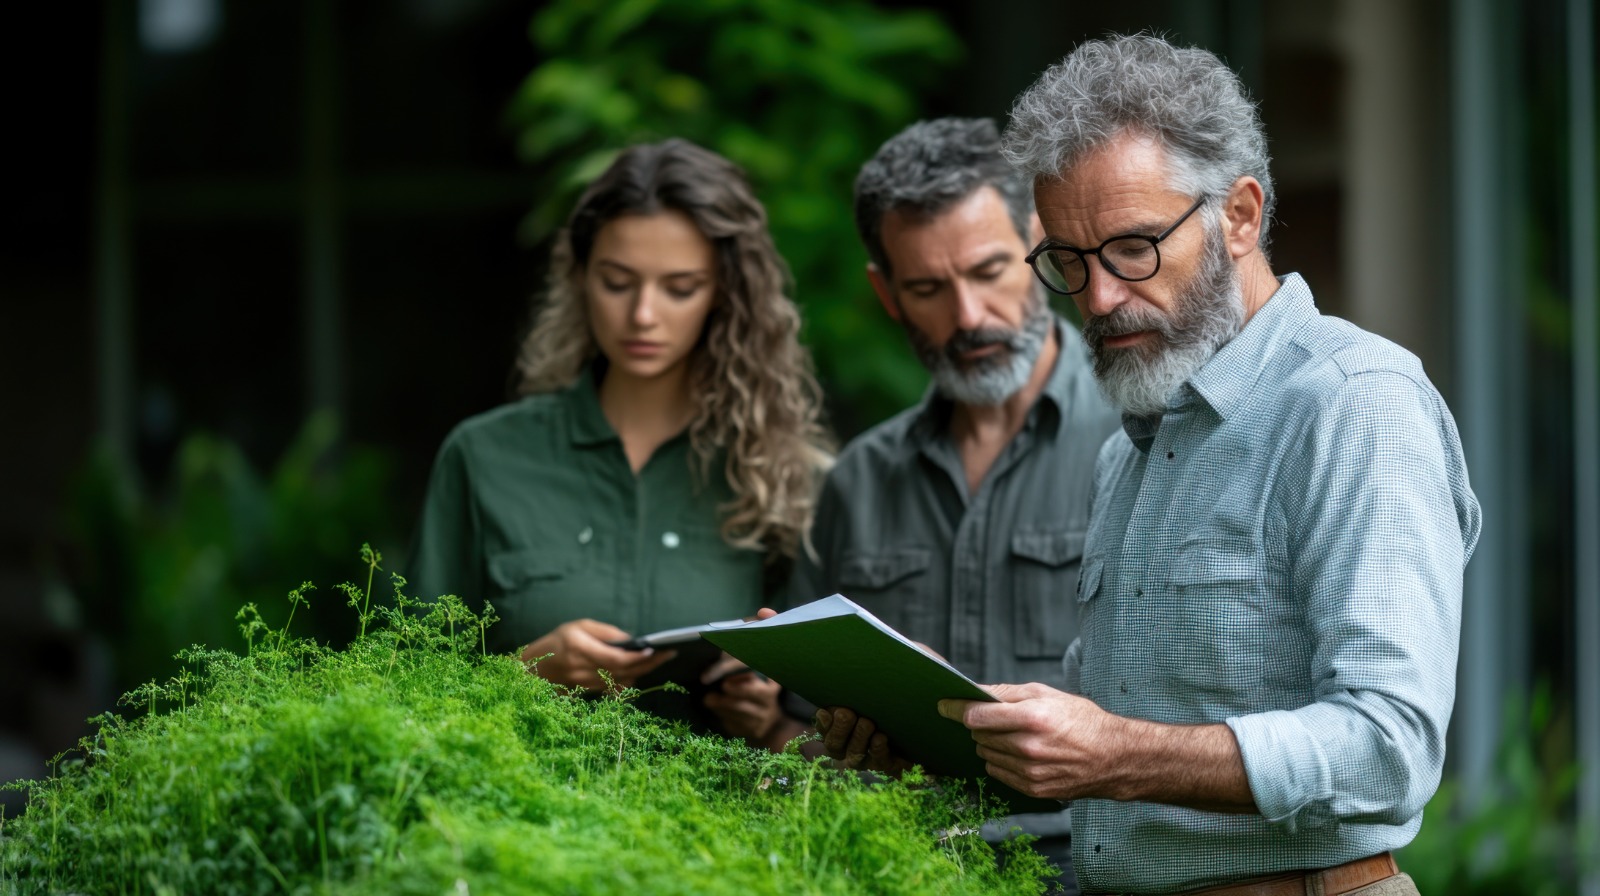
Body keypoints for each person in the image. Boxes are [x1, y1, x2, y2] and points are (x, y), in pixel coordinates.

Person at [819, 35, 1481, 895]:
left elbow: (1388, 749)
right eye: (1067, 261)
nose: (1096, 298)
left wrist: (1117, 756)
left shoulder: (1356, 403)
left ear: (1239, 216)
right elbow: (1121, 740)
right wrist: (937, 724)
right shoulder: (1133, 443)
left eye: (1133, 248)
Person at [785, 117, 1122, 895]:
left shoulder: (1145, 443)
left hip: (1092, 868)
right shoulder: (859, 479)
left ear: (1040, 246)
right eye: (930, 289)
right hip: (887, 864)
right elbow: (796, 726)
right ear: (886, 294)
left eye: (990, 270)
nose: (968, 317)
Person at [405, 139, 830, 742]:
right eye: (617, 281)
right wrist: (527, 673)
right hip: (509, 827)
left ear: (724, 294)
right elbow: (399, 693)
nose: (643, 316)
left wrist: (764, 716)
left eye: (680, 288)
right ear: (580, 277)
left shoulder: (780, 474)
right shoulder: (483, 459)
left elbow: (831, 735)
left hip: (712, 830)